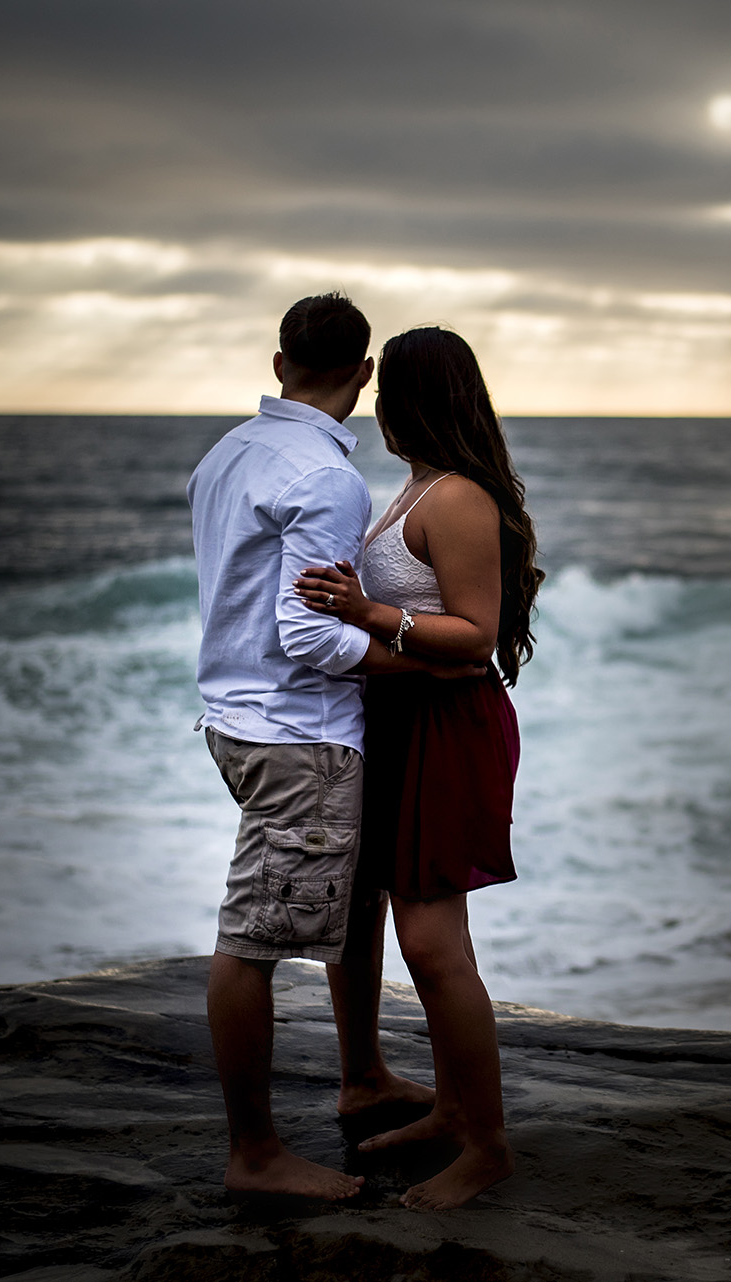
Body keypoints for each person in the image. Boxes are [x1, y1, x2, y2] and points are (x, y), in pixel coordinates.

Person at [188, 294, 473, 1200]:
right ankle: (255, 1154)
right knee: (252, 942)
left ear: (279, 366)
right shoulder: (326, 478)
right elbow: (310, 637)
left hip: (237, 719)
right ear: (362, 377)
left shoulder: (225, 455)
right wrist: (422, 662)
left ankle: (362, 1078)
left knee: (350, 904)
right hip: (299, 734)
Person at [292, 325, 541, 1211]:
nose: (376, 404)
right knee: (383, 922)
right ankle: (446, 1110)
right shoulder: (414, 489)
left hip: (447, 727)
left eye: (388, 388)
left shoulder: (460, 498)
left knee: (434, 949)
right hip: (396, 724)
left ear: (416, 398)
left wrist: (363, 610)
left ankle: (487, 1143)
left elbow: (474, 637)